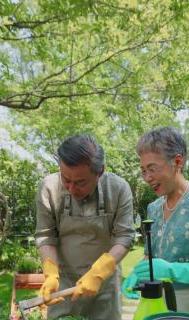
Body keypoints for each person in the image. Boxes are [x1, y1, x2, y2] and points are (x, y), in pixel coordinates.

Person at [122, 126, 189, 319]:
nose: (147, 178)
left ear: (177, 162)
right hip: (154, 297)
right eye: (143, 171)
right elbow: (150, 255)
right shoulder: (154, 208)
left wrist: (171, 270)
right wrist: (138, 273)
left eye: (152, 169)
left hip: (188, 301)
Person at [35, 135, 135, 319]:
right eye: (66, 179)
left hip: (105, 284)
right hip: (62, 284)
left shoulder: (119, 189)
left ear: (100, 172)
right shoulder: (48, 188)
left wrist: (99, 273)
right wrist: (50, 273)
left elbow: (124, 237)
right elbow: (46, 235)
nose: (72, 189)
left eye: (81, 182)